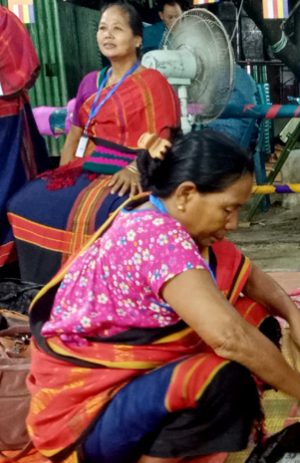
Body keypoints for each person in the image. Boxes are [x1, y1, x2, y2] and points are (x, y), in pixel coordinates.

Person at [26, 129, 300, 463]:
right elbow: (230, 338)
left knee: (255, 318)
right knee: (229, 374)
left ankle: (183, 438)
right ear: (185, 194)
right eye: (228, 209)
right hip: (85, 424)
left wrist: (296, 318)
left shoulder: (160, 213)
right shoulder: (157, 237)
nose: (234, 223)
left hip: (122, 398)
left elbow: (250, 277)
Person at [8, 1, 180, 284]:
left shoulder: (153, 82)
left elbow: (164, 137)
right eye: (102, 28)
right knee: (24, 202)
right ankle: (45, 288)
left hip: (136, 168)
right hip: (88, 166)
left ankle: (99, 284)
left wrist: (135, 170)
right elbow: (75, 134)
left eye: (117, 29)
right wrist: (62, 175)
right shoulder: (91, 81)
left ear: (137, 39)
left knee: (106, 214)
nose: (107, 35)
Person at [0, 6, 49, 272]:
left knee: (11, 187)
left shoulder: (4, 19)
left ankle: (13, 258)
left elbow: (22, 70)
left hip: (5, 123)